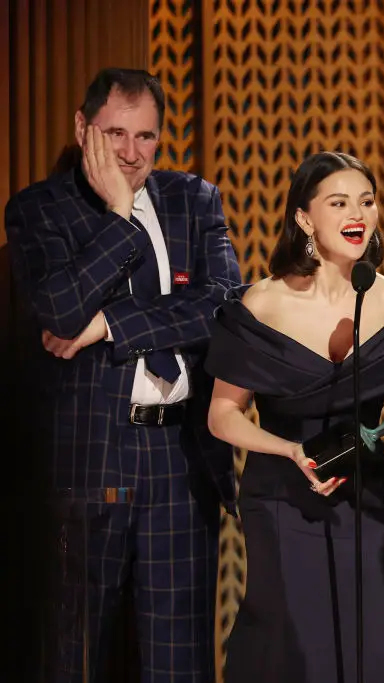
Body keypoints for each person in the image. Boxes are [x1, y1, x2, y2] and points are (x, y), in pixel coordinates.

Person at [3, 68, 242, 682]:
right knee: (76, 657)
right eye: (116, 135)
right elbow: (57, 309)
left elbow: (224, 307)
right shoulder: (40, 209)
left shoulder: (194, 200)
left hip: (180, 460)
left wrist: (109, 324)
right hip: (91, 459)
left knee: (177, 664)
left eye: (147, 138)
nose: (132, 154)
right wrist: (117, 213)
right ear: (82, 129)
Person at [205, 151, 384, 683]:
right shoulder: (262, 304)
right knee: (299, 651)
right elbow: (223, 417)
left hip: (366, 498)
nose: (356, 213)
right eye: (338, 203)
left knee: (373, 647)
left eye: (366, 201)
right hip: (282, 498)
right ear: (304, 218)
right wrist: (288, 450)